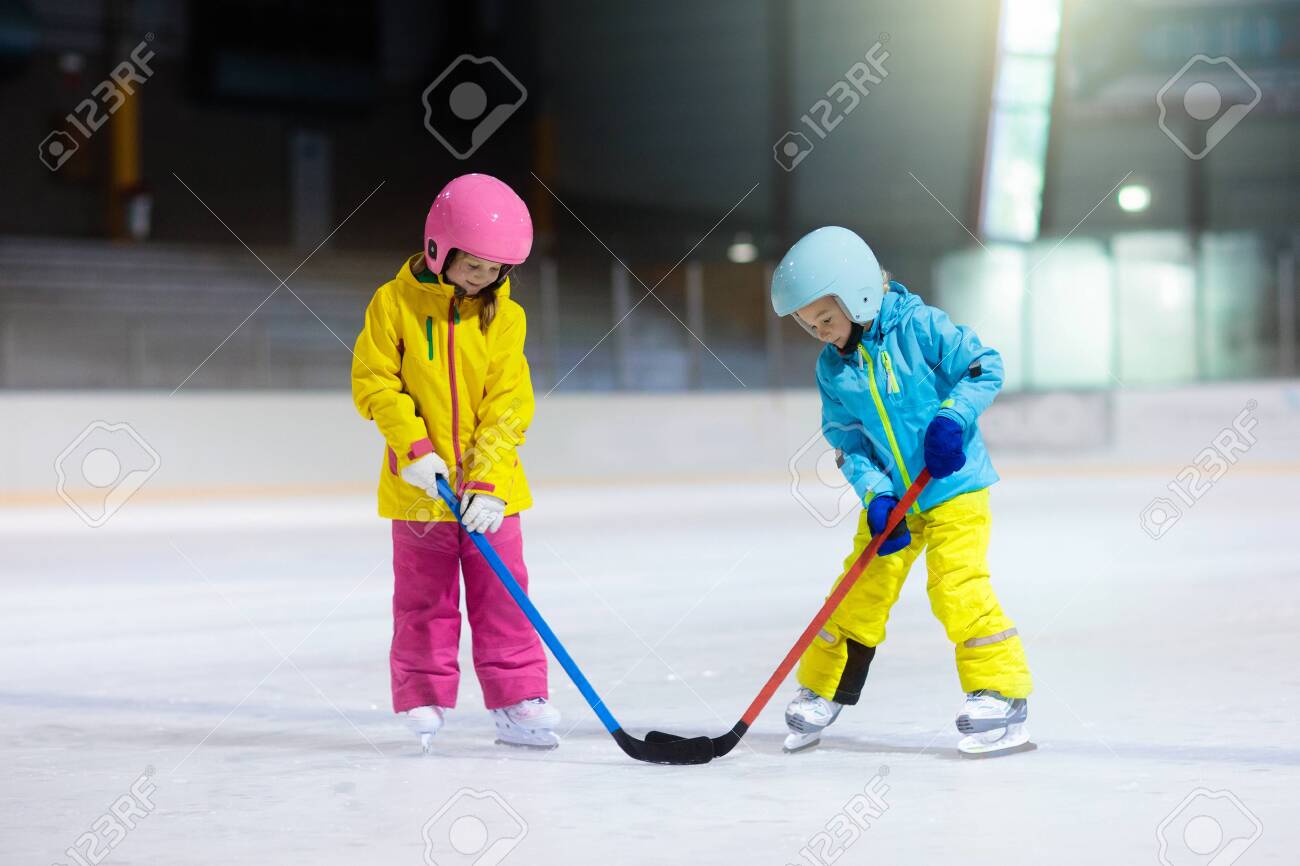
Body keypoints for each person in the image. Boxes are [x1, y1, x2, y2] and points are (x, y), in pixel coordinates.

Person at [771, 226, 1033, 757]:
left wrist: (952, 418)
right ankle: (821, 691)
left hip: (954, 486)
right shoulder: (832, 369)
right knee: (859, 587)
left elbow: (984, 366)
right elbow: (846, 442)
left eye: (826, 317)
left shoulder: (921, 327)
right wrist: (875, 494)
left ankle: (1001, 695)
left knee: (956, 585)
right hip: (898, 497)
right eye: (808, 324)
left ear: (859, 294)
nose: (819, 331)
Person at [350, 173, 559, 752]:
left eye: (497, 269)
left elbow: (510, 403)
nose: (486, 277)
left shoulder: (505, 318)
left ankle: (518, 702)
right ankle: (422, 696)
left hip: (493, 495)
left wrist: (489, 481)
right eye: (475, 265)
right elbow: (374, 383)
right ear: (440, 246)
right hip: (419, 490)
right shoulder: (391, 304)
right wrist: (412, 450)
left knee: (505, 596)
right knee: (424, 601)